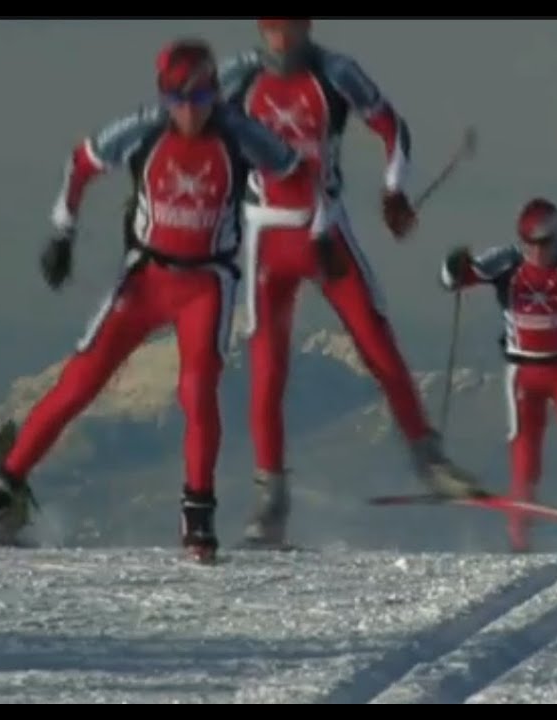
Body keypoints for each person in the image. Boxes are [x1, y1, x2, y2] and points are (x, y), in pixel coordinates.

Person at [0, 38, 323, 563]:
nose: (188, 110)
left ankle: (197, 513)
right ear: (161, 96)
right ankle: (1, 492)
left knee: (198, 389)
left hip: (207, 282)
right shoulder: (143, 129)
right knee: (80, 380)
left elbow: (294, 170)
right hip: (147, 276)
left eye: (201, 96)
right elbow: (82, 163)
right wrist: (62, 233)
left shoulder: (238, 132)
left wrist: (313, 232)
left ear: (214, 92)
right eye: (176, 97)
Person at [217, 18, 486, 548]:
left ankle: (428, 459)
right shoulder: (238, 76)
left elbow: (392, 128)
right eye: (271, 27)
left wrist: (394, 192)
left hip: (325, 232)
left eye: (289, 26)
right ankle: (270, 498)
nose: (280, 38)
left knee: (376, 341)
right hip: (266, 232)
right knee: (267, 366)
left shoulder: (335, 72)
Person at [438, 197, 557, 551]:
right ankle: (519, 540)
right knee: (525, 458)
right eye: (530, 243)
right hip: (523, 372)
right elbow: (452, 281)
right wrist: (454, 265)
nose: (537, 252)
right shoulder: (506, 261)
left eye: (545, 243)